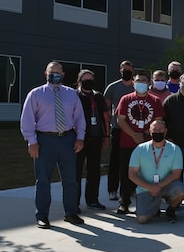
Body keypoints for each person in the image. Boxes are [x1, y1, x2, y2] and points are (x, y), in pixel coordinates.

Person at [21, 61, 87, 228]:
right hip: (44, 141)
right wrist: (32, 141)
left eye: (58, 72)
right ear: (46, 74)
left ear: (63, 75)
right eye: (52, 72)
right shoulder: (36, 94)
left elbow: (79, 118)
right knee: (43, 180)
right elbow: (27, 120)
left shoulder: (72, 94)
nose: (55, 74)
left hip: (67, 139)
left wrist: (80, 137)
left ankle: (71, 213)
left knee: (70, 180)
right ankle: (42, 215)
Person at [115, 70, 165, 214]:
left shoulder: (155, 100)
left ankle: (150, 203)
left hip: (148, 144)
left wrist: (144, 134)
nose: (141, 83)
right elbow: (121, 119)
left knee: (148, 174)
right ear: (133, 83)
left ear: (149, 83)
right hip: (127, 143)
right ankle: (124, 202)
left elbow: (159, 120)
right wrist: (133, 134)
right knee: (126, 173)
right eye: (138, 81)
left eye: (144, 81)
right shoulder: (126, 99)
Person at [128, 119, 184, 224]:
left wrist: (158, 186)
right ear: (150, 132)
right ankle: (153, 208)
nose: (158, 132)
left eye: (160, 129)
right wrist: (149, 187)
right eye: (155, 129)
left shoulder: (175, 149)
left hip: (166, 185)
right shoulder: (140, 149)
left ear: (165, 131)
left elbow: (176, 174)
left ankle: (171, 210)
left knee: (180, 190)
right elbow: (132, 174)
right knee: (142, 220)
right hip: (145, 188)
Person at [75, 69, 110, 211]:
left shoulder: (98, 96)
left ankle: (92, 199)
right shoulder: (74, 96)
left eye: (90, 79)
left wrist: (107, 135)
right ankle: (74, 202)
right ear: (79, 81)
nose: (88, 81)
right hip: (79, 138)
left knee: (94, 170)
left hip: (96, 137)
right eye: (85, 79)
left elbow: (105, 117)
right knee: (76, 170)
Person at [103, 60, 135, 201]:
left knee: (132, 161)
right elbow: (105, 107)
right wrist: (112, 119)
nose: (126, 71)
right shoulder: (113, 87)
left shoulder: (137, 87)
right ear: (120, 70)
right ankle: (112, 189)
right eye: (124, 69)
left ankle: (130, 188)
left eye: (129, 69)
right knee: (115, 161)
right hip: (117, 129)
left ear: (132, 71)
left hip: (134, 129)